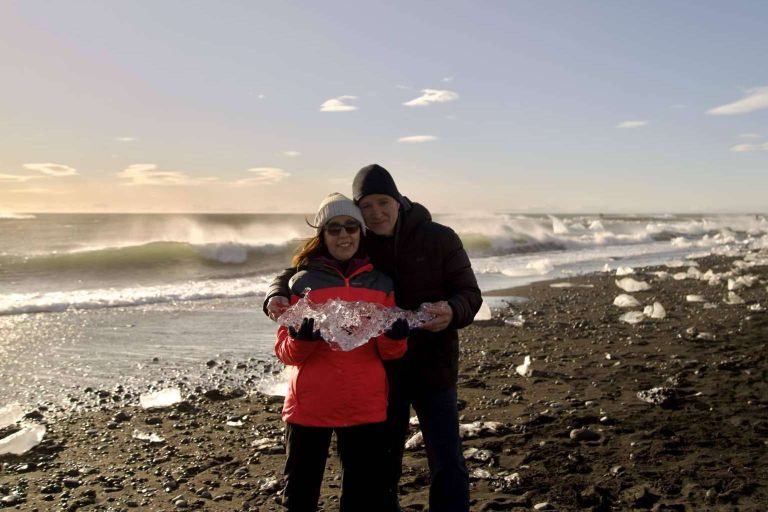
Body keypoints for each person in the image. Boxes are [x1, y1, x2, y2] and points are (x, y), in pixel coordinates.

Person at [266, 165, 482, 512]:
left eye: (383, 202)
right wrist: (275, 293)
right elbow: (303, 270)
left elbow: (470, 294)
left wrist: (454, 311)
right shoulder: (360, 242)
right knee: (383, 468)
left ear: (398, 201)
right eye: (366, 206)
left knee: (446, 459)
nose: (377, 212)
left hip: (432, 366)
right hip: (383, 375)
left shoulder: (439, 238)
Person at [274, 192, 409, 512]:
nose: (343, 234)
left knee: (360, 500)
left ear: (361, 232)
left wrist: (396, 338)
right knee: (299, 499)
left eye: (351, 226)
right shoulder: (302, 283)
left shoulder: (381, 283)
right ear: (322, 235)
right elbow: (285, 353)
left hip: (364, 404)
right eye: (334, 228)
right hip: (310, 405)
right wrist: (301, 340)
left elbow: (390, 353)